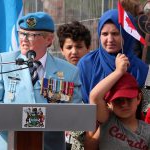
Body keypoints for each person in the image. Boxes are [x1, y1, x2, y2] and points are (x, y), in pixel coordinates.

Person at [0, 12, 82, 150]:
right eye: (22, 33)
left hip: (49, 146)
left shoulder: (68, 72)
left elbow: (74, 115)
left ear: (49, 39)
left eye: (32, 35)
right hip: (9, 144)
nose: (24, 39)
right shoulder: (4, 63)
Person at [77, 9, 149, 150]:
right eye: (104, 34)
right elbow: (82, 103)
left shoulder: (142, 70)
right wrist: (118, 72)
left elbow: (145, 110)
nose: (109, 40)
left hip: (134, 141)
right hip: (91, 135)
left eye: (116, 34)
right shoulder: (86, 64)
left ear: (127, 35)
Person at [89, 53, 150, 149]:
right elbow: (94, 97)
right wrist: (118, 71)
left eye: (129, 99)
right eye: (118, 100)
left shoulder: (147, 131)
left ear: (138, 98)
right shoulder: (107, 120)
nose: (124, 104)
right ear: (109, 103)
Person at [57, 21, 91, 150]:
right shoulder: (55, 76)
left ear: (88, 48)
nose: (74, 52)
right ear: (61, 50)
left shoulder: (92, 73)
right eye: (69, 47)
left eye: (79, 46)